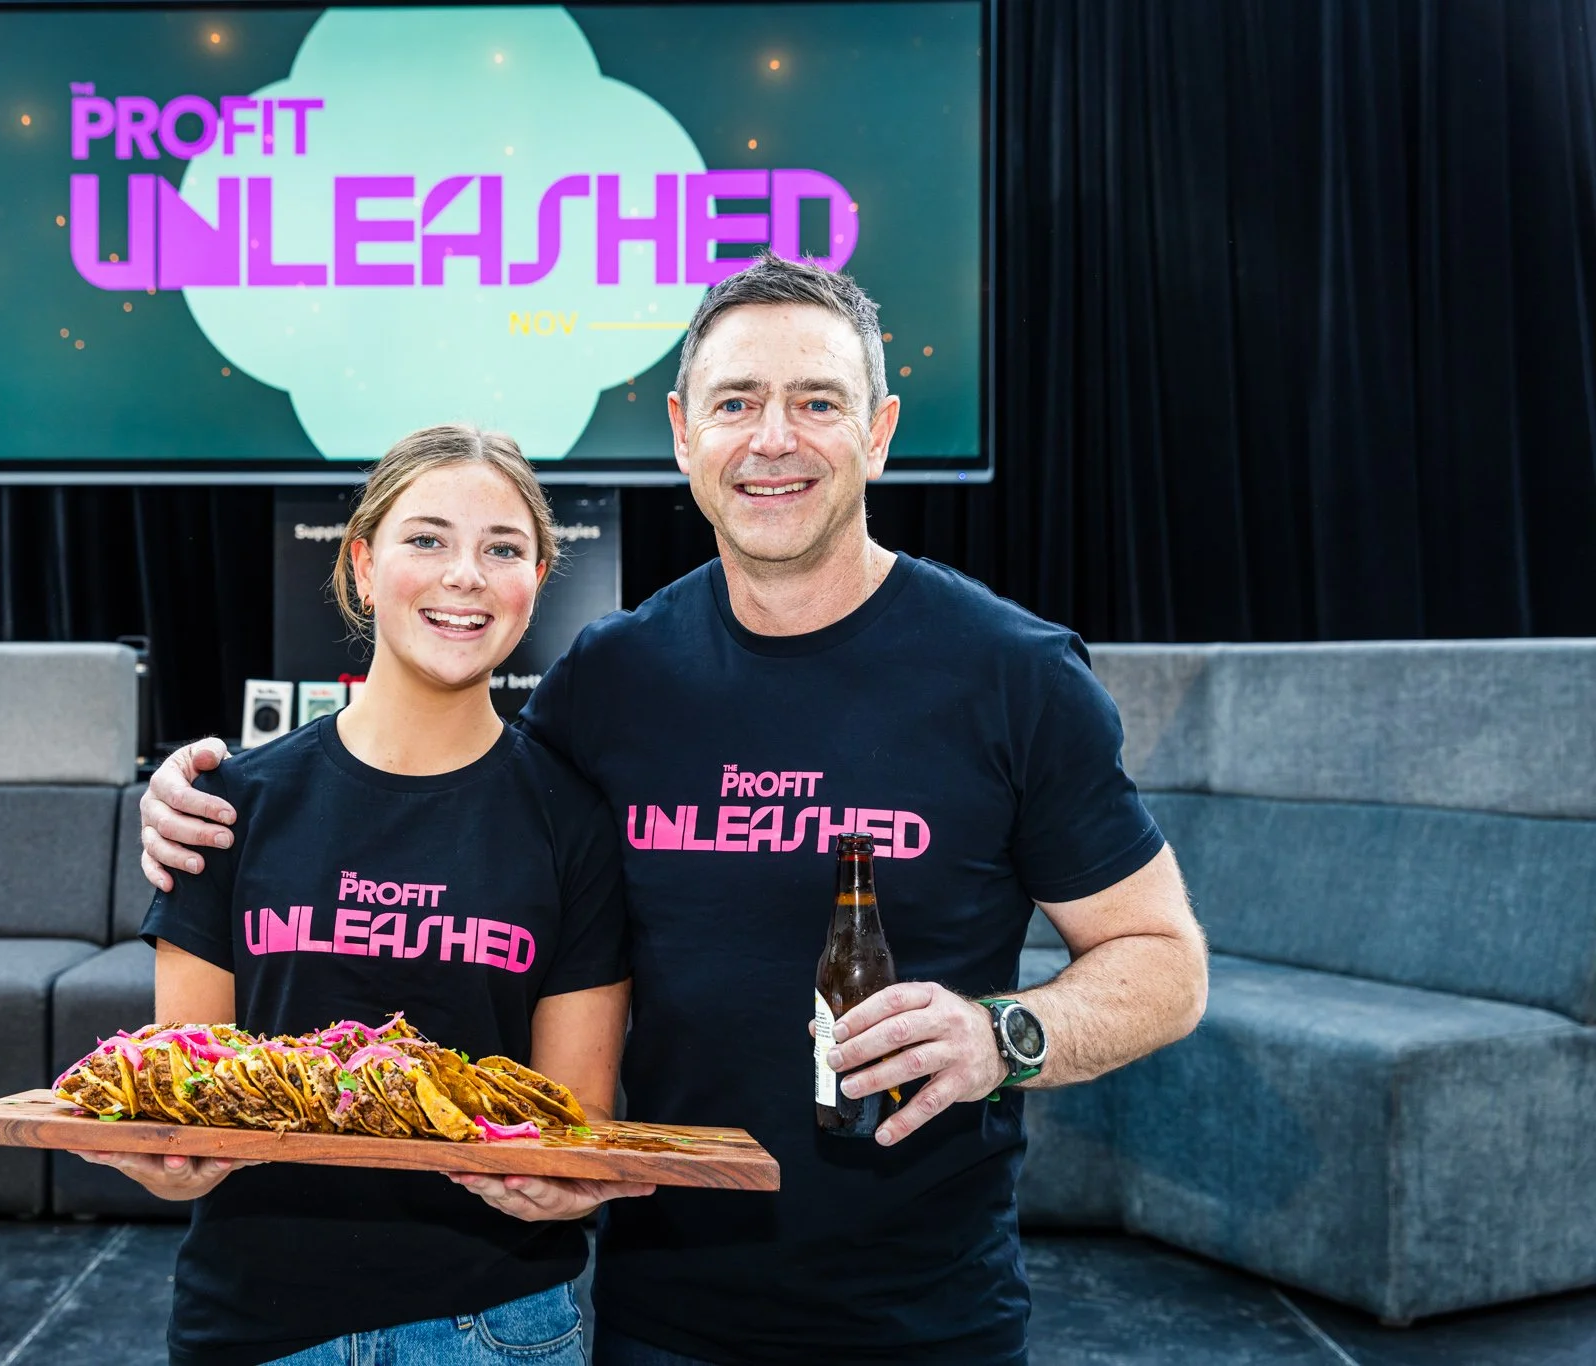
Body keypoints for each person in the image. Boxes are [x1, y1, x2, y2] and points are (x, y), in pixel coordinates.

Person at [139, 256, 1210, 1365]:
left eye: (817, 402)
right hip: (659, 1317)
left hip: (923, 1317)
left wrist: (1004, 1035)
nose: (772, 439)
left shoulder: (1013, 675)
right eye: (736, 402)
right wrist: (211, 804)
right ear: (681, 432)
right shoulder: (610, 680)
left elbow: (1162, 963)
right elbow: (430, 815)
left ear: (880, 431)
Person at [81, 425, 651, 1366]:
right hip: (255, 1323)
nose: (464, 574)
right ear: (361, 564)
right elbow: (191, 1095)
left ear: (537, 578)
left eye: (502, 548)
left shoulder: (575, 822)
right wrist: (169, 1162)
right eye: (426, 538)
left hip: (498, 1325)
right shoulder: (225, 807)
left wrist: (570, 1180)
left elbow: (574, 1114)